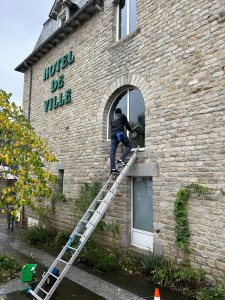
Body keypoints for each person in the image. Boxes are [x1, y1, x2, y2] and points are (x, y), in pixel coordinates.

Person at [110, 108, 134, 175]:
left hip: (113, 134)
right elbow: (127, 125)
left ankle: (113, 169)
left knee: (112, 151)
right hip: (119, 133)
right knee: (128, 146)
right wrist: (131, 130)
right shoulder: (122, 115)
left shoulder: (112, 118)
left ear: (115, 113)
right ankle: (120, 160)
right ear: (120, 112)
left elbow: (112, 127)